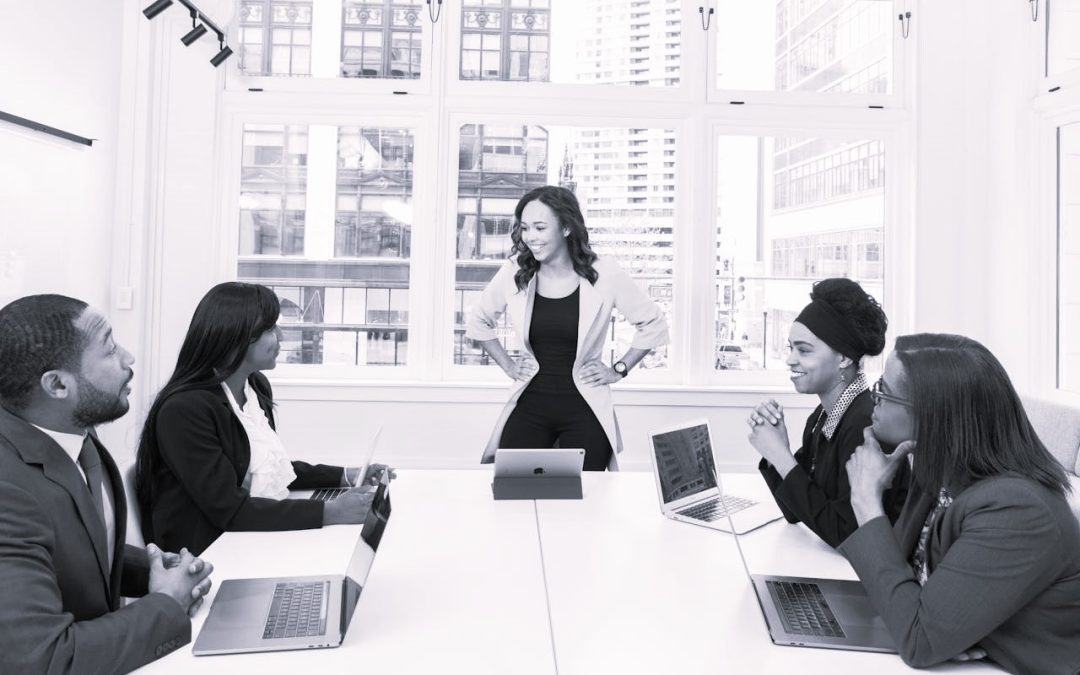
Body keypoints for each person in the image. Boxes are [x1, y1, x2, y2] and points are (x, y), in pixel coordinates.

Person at [0, 294, 214, 674]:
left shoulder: (73, 428)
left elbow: (69, 542)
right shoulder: (7, 491)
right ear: (57, 385)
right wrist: (166, 605)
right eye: (110, 350)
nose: (129, 359)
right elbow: (43, 661)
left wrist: (147, 570)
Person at [842, 334, 1080, 673]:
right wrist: (935, 628)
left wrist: (866, 501)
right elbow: (895, 583)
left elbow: (919, 641)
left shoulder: (1020, 511)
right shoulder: (936, 469)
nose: (872, 398)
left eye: (884, 389)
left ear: (933, 416)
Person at [136, 282, 393, 556]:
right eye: (270, 329)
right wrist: (330, 511)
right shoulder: (184, 410)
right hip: (207, 554)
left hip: (246, 535)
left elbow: (269, 471)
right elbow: (228, 510)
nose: (281, 335)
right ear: (236, 337)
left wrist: (344, 476)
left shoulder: (254, 386)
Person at [466, 185, 669, 470]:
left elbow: (653, 324)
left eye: (540, 227)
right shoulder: (515, 271)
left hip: (585, 408)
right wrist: (509, 367)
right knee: (513, 492)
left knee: (586, 501)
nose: (530, 238)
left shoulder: (604, 273)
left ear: (565, 228)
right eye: (525, 228)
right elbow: (478, 321)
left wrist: (618, 369)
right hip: (531, 404)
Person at [747, 278, 909, 547]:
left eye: (804, 350)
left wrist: (781, 456)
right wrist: (777, 452)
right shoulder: (822, 417)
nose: (790, 359)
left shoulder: (866, 425)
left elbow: (846, 535)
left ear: (844, 358)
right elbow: (795, 511)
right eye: (791, 348)